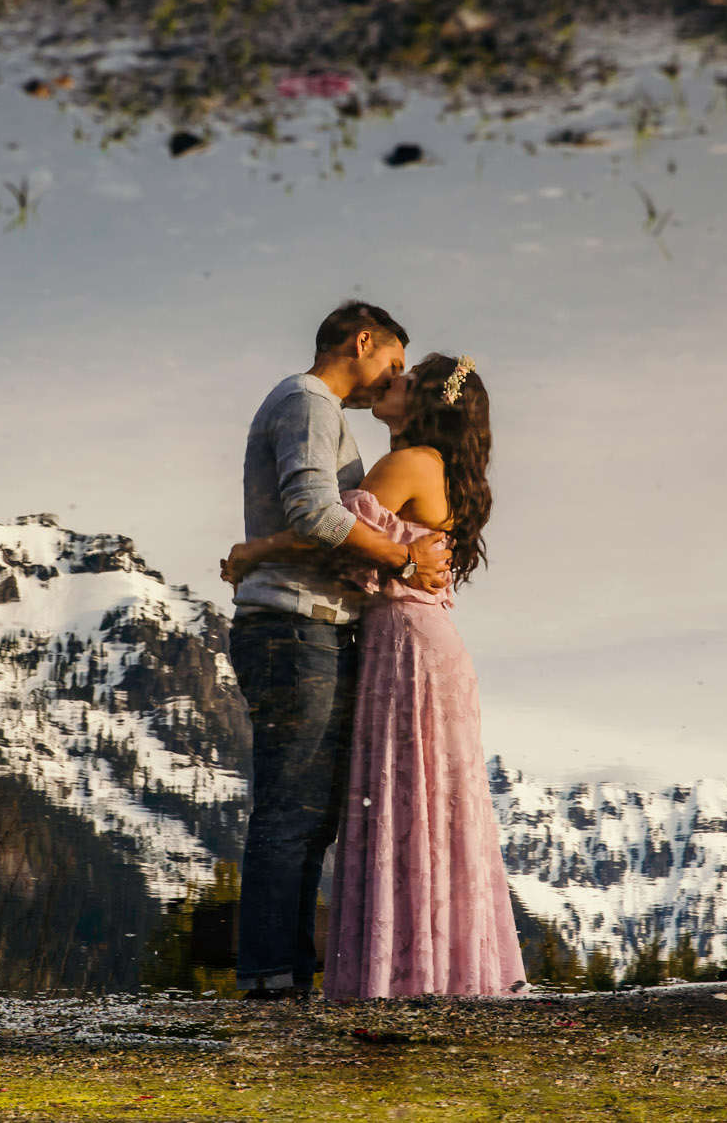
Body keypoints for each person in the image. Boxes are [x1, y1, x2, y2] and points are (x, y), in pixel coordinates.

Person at [225, 352, 525, 999]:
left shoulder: (407, 463)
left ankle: (399, 976)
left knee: (401, 802)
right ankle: (441, 971)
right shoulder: (435, 468)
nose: (392, 381)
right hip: (425, 643)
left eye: (406, 381)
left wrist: (254, 551)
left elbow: (329, 538)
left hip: (406, 646)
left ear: (423, 408)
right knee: (429, 808)